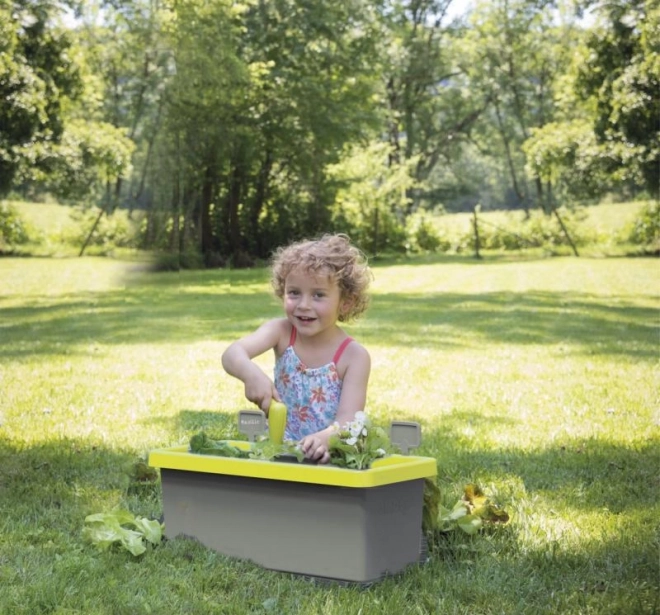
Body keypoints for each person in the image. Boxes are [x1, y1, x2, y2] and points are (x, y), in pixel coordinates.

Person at [221, 233, 372, 463]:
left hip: (326, 458)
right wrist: (251, 374)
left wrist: (326, 438)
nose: (304, 305)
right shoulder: (281, 332)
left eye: (318, 295)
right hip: (277, 451)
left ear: (345, 302)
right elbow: (232, 354)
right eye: (294, 293)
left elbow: (349, 421)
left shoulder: (353, 356)